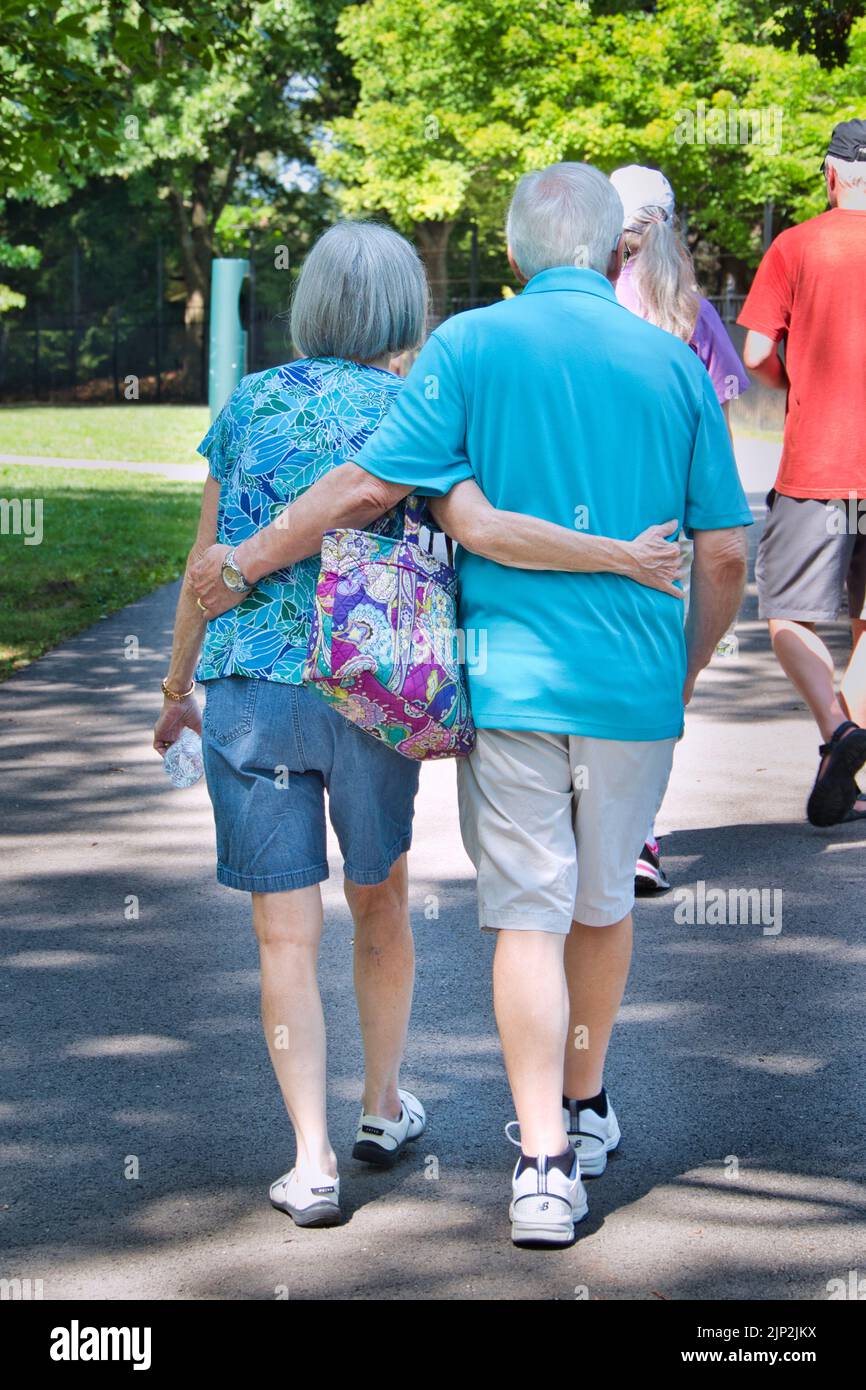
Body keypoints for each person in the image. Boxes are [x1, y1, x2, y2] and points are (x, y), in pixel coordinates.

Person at [190, 166, 751, 1249]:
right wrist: (679, 673)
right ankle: (586, 1110)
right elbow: (723, 551)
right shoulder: (672, 365)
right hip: (631, 684)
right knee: (601, 905)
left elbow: (374, 489)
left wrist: (243, 563)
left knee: (526, 918)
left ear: (509, 251)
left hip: (508, 678)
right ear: (614, 251)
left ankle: (539, 1166)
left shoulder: (467, 348)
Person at [610, 164, 752, 893]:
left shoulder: (586, 300)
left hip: (583, 520)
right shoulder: (694, 310)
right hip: (666, 530)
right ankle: (637, 835)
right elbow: (718, 453)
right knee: (660, 681)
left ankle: (581, 829)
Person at [738, 118, 866, 826]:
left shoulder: (795, 245)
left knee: (787, 610)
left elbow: (757, 350)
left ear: (830, 175)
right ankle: (846, 761)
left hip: (819, 462)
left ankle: (839, 733)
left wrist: (801, 377)